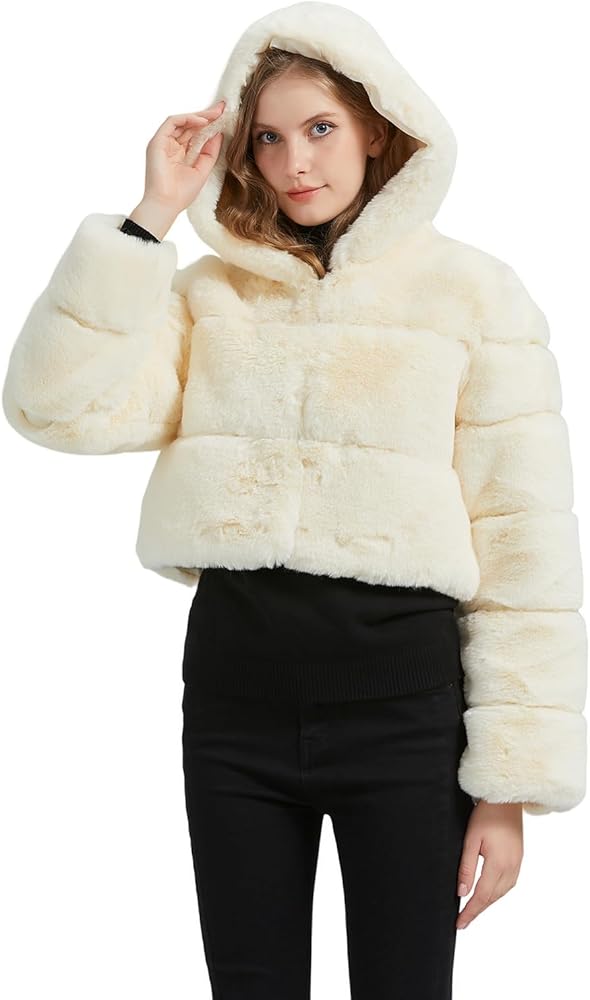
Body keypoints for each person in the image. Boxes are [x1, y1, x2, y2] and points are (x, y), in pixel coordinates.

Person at [2, 2, 587, 997]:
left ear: (378, 127)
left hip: (405, 716)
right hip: (234, 707)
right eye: (267, 138)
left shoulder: (473, 295)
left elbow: (522, 542)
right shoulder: (207, 294)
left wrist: (508, 789)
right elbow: (53, 408)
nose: (293, 163)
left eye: (319, 128)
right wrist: (148, 219)